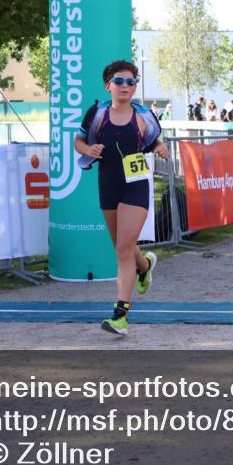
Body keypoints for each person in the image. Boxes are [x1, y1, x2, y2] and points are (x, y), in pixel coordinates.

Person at [73, 60, 170, 337]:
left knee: (123, 249)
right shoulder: (97, 113)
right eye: (119, 81)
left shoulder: (144, 116)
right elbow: (78, 141)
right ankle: (145, 265)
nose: (126, 86)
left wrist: (161, 147)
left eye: (131, 81)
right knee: (123, 247)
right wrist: (88, 149)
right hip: (109, 183)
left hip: (135, 185)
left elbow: (153, 143)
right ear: (108, 86)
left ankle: (120, 316)